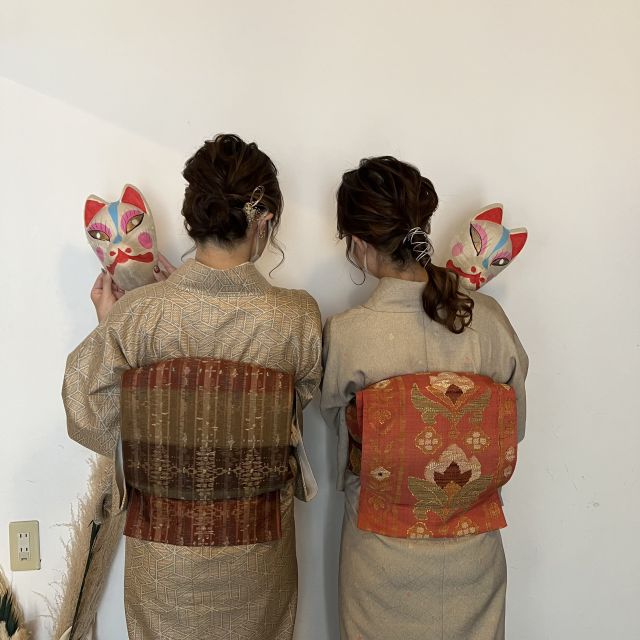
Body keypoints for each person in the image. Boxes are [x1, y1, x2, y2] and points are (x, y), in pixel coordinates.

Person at [63, 134, 322, 640]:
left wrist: (109, 326)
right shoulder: (297, 317)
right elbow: (299, 406)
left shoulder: (138, 316)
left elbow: (84, 410)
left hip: (163, 563)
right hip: (257, 556)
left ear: (192, 220)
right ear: (263, 220)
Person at [321, 156, 528, 640]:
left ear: (359, 244)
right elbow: (512, 430)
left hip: (382, 558)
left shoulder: (350, 334)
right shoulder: (489, 320)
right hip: (473, 554)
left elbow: (340, 437)